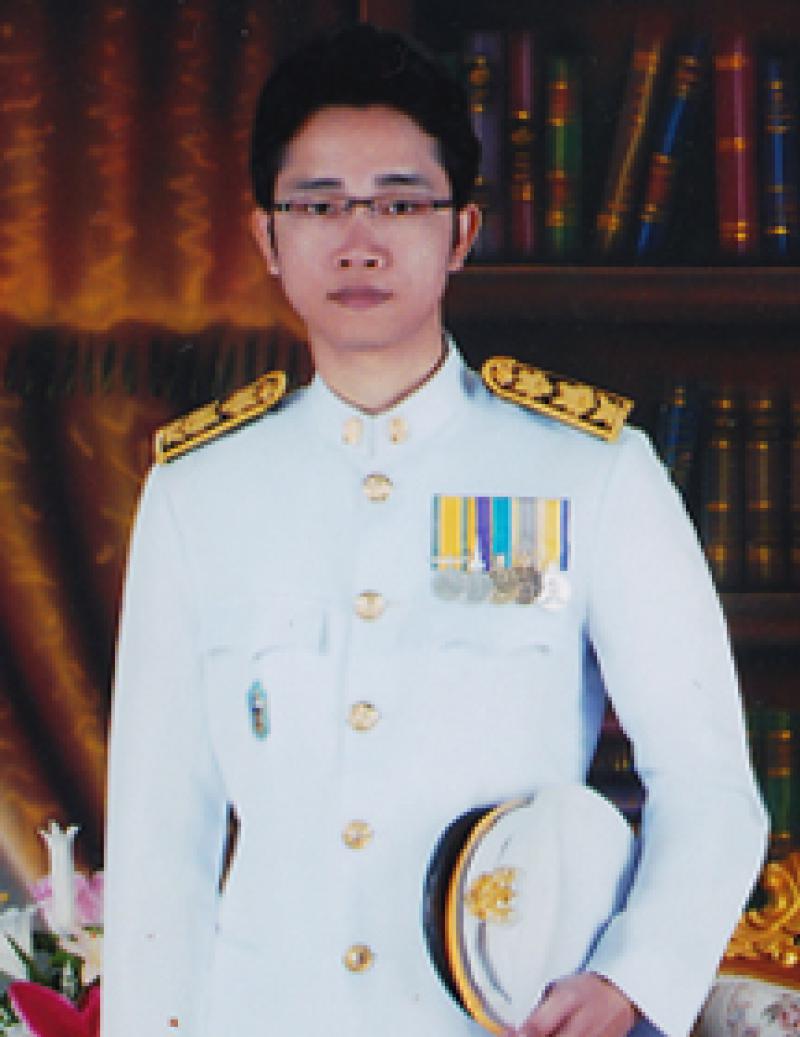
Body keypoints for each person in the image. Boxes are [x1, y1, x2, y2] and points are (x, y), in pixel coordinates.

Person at [102, 23, 768, 1037]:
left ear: (460, 231)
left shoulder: (585, 471)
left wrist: (632, 978)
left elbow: (710, 783)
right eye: (318, 204)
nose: (359, 238)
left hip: (502, 1018)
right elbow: (159, 836)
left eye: (400, 202)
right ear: (267, 237)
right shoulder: (202, 488)